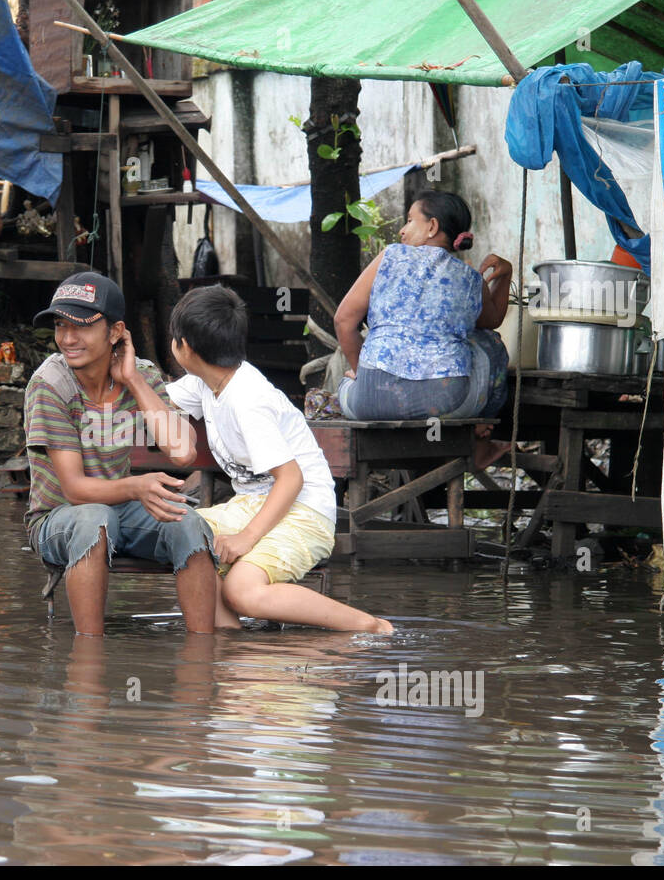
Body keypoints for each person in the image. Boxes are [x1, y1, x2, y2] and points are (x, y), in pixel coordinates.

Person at [164, 285, 393, 634]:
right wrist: (129, 375)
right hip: (256, 503)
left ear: (185, 348)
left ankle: (369, 626)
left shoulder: (247, 399)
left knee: (242, 591)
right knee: (187, 534)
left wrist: (245, 538)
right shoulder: (206, 382)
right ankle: (231, 644)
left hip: (304, 510)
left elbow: (291, 478)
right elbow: (158, 398)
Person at [23, 272, 218, 637]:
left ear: (115, 332)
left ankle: (202, 659)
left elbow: (182, 452)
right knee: (94, 519)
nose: (67, 338)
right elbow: (75, 490)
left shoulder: (139, 374)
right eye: (61, 325)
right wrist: (137, 487)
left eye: (81, 326)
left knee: (188, 522)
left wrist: (133, 380)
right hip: (57, 519)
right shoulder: (51, 384)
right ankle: (89, 657)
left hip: (121, 513)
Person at [332, 189, 513, 468]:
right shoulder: (470, 278)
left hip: (370, 401)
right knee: (491, 343)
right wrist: (506, 273)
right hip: (446, 405)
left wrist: (359, 372)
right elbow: (492, 321)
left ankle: (357, 380)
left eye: (409, 220)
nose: (403, 231)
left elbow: (344, 321)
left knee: (345, 382)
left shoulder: (389, 257)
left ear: (432, 226)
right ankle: (480, 439)